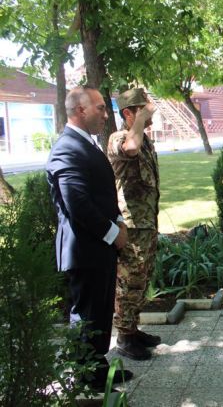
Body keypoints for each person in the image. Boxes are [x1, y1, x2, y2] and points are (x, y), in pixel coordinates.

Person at [46, 86, 133, 389]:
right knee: (87, 315)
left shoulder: (86, 143)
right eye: (100, 108)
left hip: (99, 246)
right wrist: (113, 234)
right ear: (80, 110)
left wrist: (119, 221)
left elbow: (102, 194)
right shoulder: (66, 148)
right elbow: (77, 203)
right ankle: (86, 376)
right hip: (85, 249)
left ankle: (97, 367)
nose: (106, 114)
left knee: (100, 312)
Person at [107, 88, 161, 361]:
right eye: (143, 109)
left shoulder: (144, 139)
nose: (150, 114)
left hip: (147, 222)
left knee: (142, 278)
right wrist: (139, 119)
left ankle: (133, 329)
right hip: (131, 226)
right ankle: (124, 337)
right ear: (128, 113)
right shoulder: (118, 138)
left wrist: (141, 118)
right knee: (129, 282)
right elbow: (130, 148)